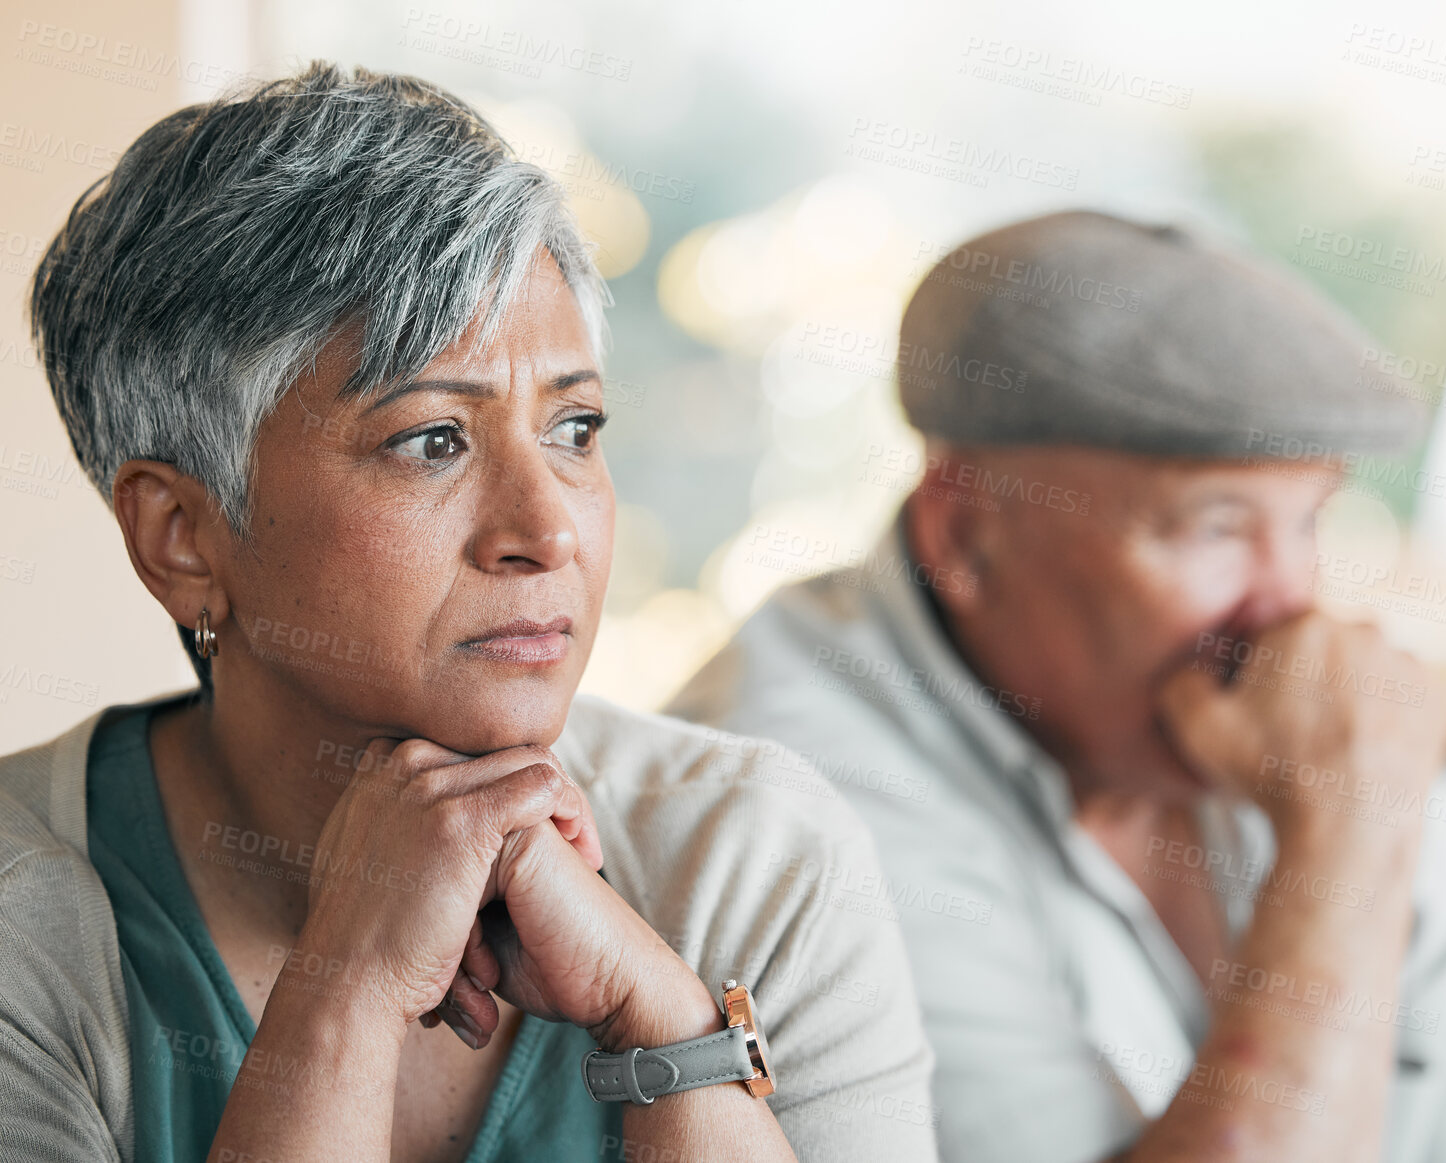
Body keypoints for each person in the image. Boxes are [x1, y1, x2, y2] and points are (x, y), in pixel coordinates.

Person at [0, 63, 935, 1163]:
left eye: (575, 428)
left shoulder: (751, 856)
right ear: (183, 538)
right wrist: (346, 988)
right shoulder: (31, 924)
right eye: (431, 439)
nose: (550, 531)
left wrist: (672, 1031)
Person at [669, 211, 1446, 1163]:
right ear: (966, 533)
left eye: (1311, 521)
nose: (1287, 609)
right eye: (1216, 528)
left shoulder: (1323, 724)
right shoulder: (784, 811)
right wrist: (1346, 845)